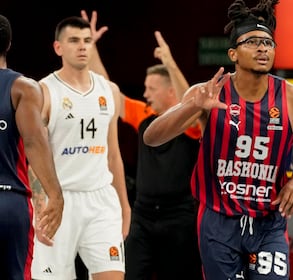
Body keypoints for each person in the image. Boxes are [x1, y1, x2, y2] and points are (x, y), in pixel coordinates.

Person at [143, 0, 293, 279]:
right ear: (233, 53)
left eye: (268, 43)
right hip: (218, 220)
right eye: (253, 42)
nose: (263, 48)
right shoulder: (209, 93)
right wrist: (193, 107)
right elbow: (152, 137)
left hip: (268, 222)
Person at [84, 10, 203, 280]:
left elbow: (192, 104)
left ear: (170, 92)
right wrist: (90, 50)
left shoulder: (191, 123)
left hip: (180, 219)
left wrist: (171, 63)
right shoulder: (144, 116)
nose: (145, 93)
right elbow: (108, 89)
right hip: (143, 217)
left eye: (152, 88)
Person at [29, 15, 130, 280]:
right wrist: (39, 208)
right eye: (74, 40)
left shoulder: (108, 90)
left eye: (87, 40)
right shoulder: (44, 91)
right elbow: (33, 156)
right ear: (58, 47)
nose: (83, 46)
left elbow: (114, 155)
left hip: (101, 201)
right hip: (58, 201)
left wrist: (124, 205)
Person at [0, 14, 64, 280]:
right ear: (9, 44)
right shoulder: (23, 87)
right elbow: (35, 142)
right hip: (8, 202)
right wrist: (55, 195)